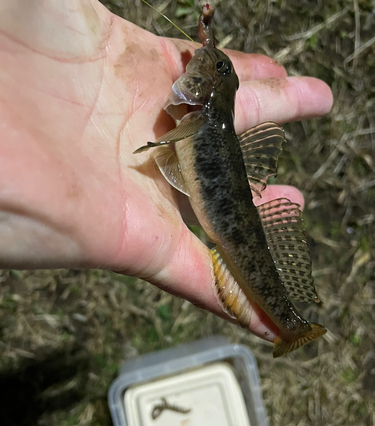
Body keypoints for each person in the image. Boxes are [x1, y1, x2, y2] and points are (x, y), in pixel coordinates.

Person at [0, 0, 333, 343]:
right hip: (225, 202)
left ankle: (291, 325)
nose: (208, 58)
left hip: (229, 222)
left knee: (240, 253)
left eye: (216, 67)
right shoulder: (201, 117)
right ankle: (290, 324)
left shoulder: (198, 120)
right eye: (220, 66)